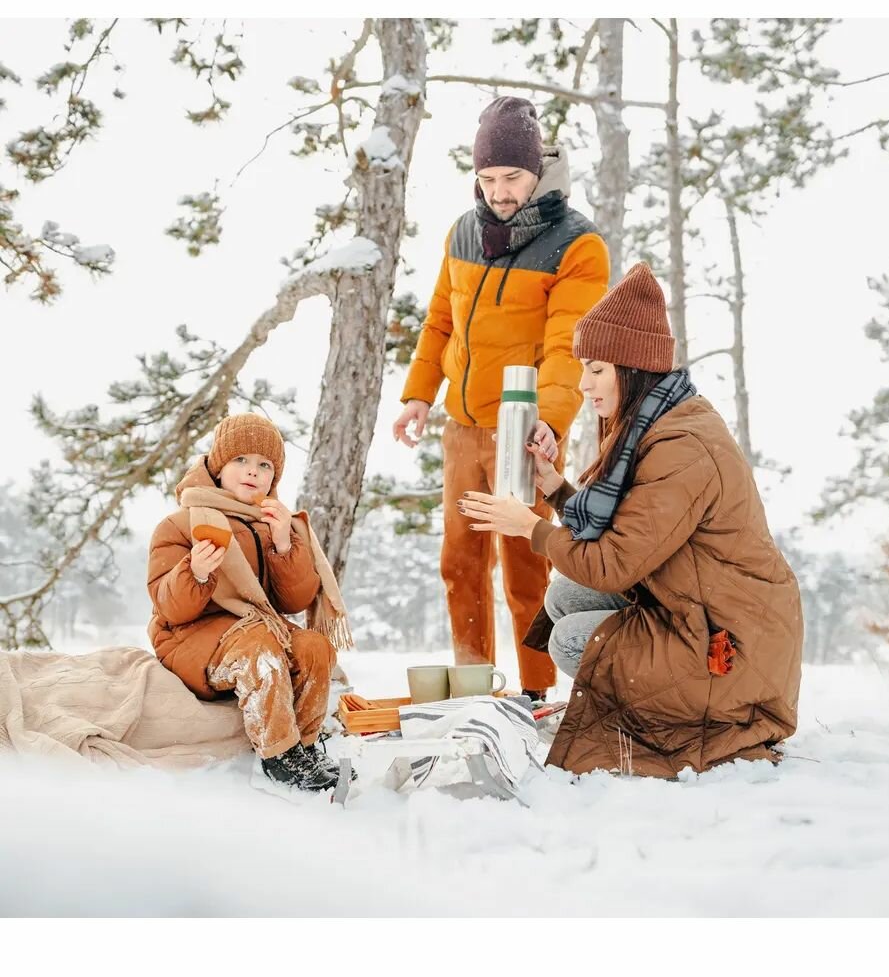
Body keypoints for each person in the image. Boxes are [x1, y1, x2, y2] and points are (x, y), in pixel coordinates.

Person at [458, 261, 803, 779]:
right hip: (702, 611)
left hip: (731, 651)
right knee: (564, 595)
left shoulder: (681, 447)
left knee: (570, 638)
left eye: (596, 369)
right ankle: (638, 696)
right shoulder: (660, 423)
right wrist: (553, 486)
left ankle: (676, 714)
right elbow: (625, 531)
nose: (584, 384)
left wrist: (530, 529)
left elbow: (613, 564)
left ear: (633, 368)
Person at [393, 96, 610, 702]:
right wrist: (419, 395)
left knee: (526, 567)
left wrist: (551, 421)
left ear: (537, 169)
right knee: (460, 564)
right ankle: (471, 689)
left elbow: (567, 345)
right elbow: (440, 320)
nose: (498, 192)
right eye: (487, 179)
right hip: (462, 429)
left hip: (523, 430)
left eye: (511, 177)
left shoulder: (578, 244)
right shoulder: (463, 232)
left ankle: (537, 694)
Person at [147, 413, 353, 793]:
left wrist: (284, 545)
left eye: (264, 465)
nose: (252, 471)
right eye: (240, 459)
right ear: (217, 467)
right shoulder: (180, 524)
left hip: (259, 628)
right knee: (260, 648)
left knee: (314, 647)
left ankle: (306, 747)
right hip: (190, 637)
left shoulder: (273, 524)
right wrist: (195, 573)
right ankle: (280, 756)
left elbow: (295, 601)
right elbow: (169, 608)